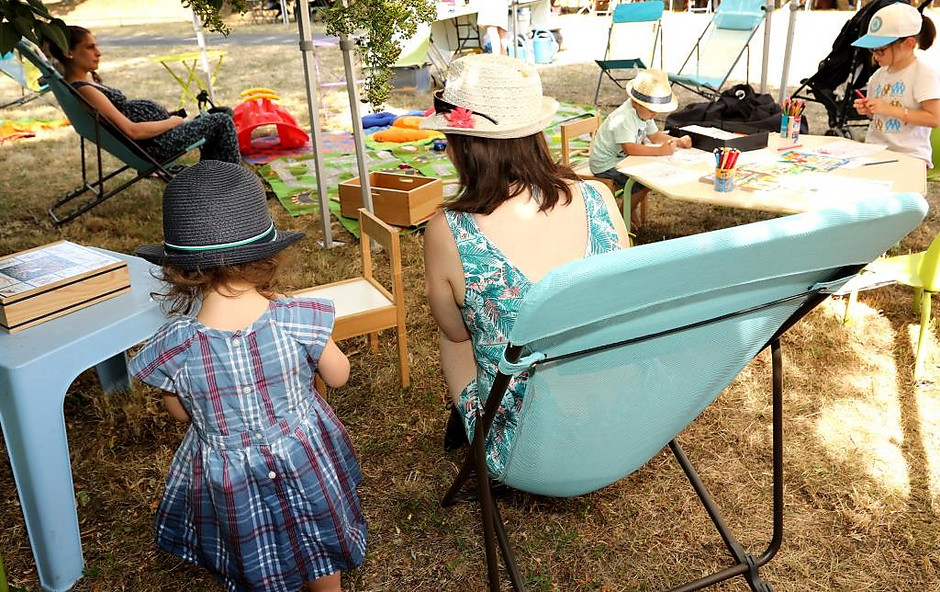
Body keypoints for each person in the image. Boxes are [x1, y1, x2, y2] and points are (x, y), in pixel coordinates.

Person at [128, 161, 366, 592]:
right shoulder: (296, 319)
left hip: (229, 474)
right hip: (303, 454)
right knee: (315, 532)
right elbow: (339, 374)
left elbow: (181, 414)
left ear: (179, 269)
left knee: (253, 543)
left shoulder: (178, 347)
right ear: (267, 254)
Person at [421, 54, 631, 474]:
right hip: (625, 425)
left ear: (464, 147)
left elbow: (456, 331)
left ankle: (477, 434)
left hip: (525, 452)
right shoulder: (599, 199)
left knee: (457, 336)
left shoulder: (448, 231)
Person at [49, 26, 241, 164]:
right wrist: (173, 122)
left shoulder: (85, 83)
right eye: (90, 47)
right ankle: (235, 186)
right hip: (154, 146)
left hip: (157, 136)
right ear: (68, 52)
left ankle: (215, 178)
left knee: (219, 115)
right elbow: (132, 131)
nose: (98, 53)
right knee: (221, 121)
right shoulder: (85, 90)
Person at [589, 68, 692, 228]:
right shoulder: (624, 118)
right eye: (653, 111)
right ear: (636, 102)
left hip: (623, 160)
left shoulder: (644, 112)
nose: (655, 115)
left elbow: (656, 136)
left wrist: (678, 141)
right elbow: (630, 148)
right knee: (642, 183)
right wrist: (659, 151)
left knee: (645, 178)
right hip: (605, 165)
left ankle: (629, 209)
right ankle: (622, 217)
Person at [851, 2, 940, 168]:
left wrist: (889, 109)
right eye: (872, 50)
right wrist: (868, 110)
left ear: (909, 44)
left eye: (880, 50)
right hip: (875, 151)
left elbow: (935, 118)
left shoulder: (923, 73)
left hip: (909, 155)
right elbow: (877, 116)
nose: (875, 56)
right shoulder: (878, 75)